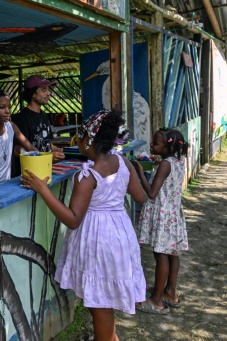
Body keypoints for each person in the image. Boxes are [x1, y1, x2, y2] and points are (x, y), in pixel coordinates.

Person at [21, 110, 148, 341]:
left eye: (78, 137)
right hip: (120, 235)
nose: (76, 142)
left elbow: (73, 219)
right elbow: (139, 197)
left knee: (100, 305)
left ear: (89, 139)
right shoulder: (123, 162)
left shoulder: (87, 176)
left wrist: (43, 190)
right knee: (101, 301)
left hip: (98, 240)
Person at [133, 128, 189, 315]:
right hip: (173, 214)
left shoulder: (165, 164)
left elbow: (152, 193)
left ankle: (156, 301)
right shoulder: (177, 161)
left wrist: (140, 172)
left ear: (167, 146)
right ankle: (170, 292)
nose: (151, 144)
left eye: (156, 143)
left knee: (160, 255)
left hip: (163, 216)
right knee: (172, 253)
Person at [0, 90, 37, 189]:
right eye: (2, 107)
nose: (7, 111)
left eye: (9, 107)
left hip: (5, 185)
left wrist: (44, 160)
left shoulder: (11, 126)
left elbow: (30, 147)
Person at [12, 75, 65, 176]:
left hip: (44, 170)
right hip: (30, 174)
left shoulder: (44, 116)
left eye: (48, 90)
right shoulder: (21, 119)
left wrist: (57, 150)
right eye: (43, 90)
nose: (48, 93)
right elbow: (17, 150)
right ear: (32, 94)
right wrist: (47, 156)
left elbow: (47, 143)